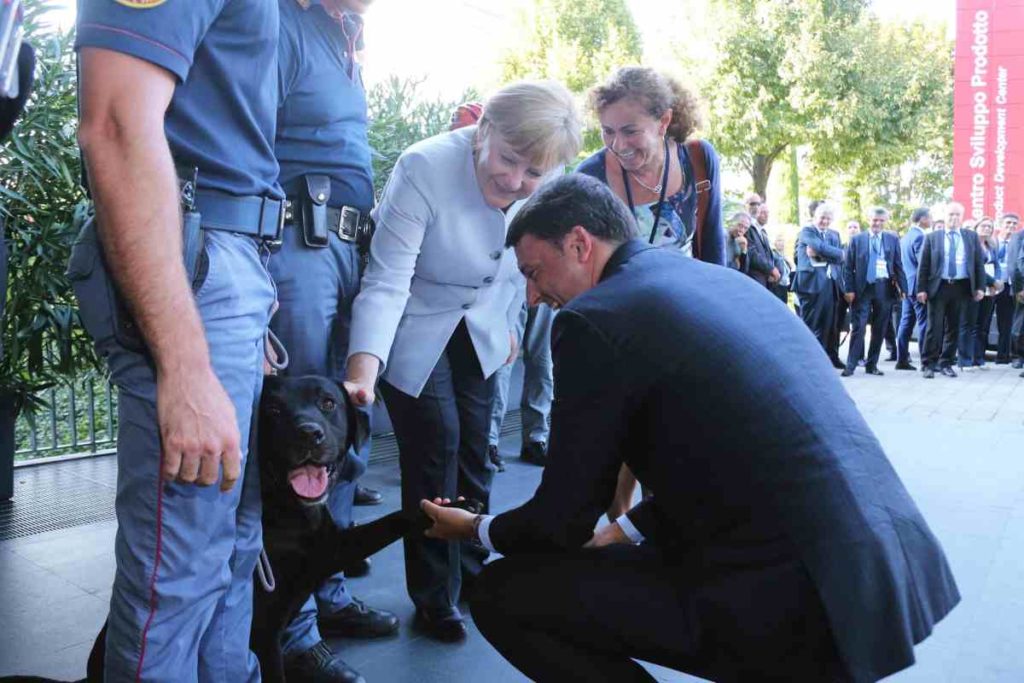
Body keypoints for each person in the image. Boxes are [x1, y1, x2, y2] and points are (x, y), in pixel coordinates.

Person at [421, 174, 959, 683]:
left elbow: (561, 520)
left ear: (580, 245)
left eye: (534, 273)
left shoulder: (593, 319)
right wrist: (627, 529)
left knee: (504, 593)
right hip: (879, 572)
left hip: (785, 599)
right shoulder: (718, 282)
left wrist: (473, 528)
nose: (533, 298)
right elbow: (742, 454)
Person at [72, 1, 283, 679]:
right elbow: (114, 123)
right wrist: (187, 365)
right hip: (198, 258)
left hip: (231, 262)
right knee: (179, 571)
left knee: (226, 550)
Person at [343, 81, 582, 642]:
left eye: (533, 174)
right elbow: (387, 278)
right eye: (508, 161)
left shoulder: (547, 184)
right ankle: (433, 597)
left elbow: (527, 267)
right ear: (483, 132)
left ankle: (473, 573)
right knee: (435, 451)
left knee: (478, 449)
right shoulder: (424, 166)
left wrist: (514, 325)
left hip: (485, 325)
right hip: (415, 320)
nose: (516, 182)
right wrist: (363, 366)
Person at [269, 2, 397, 680]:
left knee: (346, 427)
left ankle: (330, 589)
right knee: (300, 438)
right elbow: (243, 142)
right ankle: (293, 629)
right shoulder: (280, 20)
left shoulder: (345, 31)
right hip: (297, 241)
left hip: (347, 246)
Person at [577, 66, 725, 266]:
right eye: (608, 131)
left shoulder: (698, 159)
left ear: (664, 121)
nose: (617, 145)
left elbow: (713, 248)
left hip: (687, 294)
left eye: (630, 131)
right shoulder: (589, 178)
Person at [916, 202, 986, 379]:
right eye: (950, 215)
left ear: (962, 217)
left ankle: (946, 362)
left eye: (957, 215)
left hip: (961, 287)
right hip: (939, 287)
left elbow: (978, 264)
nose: (954, 218)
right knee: (935, 327)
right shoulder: (933, 237)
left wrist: (980, 287)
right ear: (944, 217)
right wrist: (921, 289)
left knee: (954, 328)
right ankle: (928, 364)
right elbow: (923, 266)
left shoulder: (971, 237)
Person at [841, 207, 907, 377]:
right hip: (862, 289)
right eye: (874, 220)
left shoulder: (892, 239)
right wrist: (848, 289)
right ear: (868, 219)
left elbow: (898, 265)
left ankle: (872, 365)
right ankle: (851, 365)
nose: (877, 223)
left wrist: (904, 289)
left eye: (881, 220)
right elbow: (848, 267)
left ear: (885, 221)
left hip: (884, 288)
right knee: (859, 327)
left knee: (880, 328)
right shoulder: (857, 240)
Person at [794, 203, 846, 368]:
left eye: (828, 218)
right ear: (815, 217)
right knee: (813, 325)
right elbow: (820, 247)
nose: (824, 221)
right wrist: (833, 254)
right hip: (811, 285)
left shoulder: (834, 234)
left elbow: (840, 257)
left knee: (831, 324)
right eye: (822, 218)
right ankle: (810, 361)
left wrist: (826, 254)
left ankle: (832, 357)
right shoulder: (807, 231)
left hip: (831, 283)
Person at [962, 216, 1003, 369]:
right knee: (970, 325)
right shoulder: (970, 245)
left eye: (990, 226)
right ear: (976, 227)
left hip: (990, 291)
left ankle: (979, 359)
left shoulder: (991, 245)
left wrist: (996, 283)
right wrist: (993, 281)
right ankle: (967, 360)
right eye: (984, 225)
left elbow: (997, 265)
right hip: (976, 288)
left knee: (983, 326)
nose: (987, 228)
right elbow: (975, 268)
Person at [895, 208, 932, 371]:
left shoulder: (905, 237)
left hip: (907, 286)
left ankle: (901, 359)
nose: (931, 220)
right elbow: (922, 264)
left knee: (905, 323)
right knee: (924, 323)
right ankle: (925, 361)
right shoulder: (920, 237)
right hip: (917, 287)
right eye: (930, 217)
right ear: (922, 219)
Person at [994, 212, 1020, 364]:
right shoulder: (992, 242)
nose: (1011, 226)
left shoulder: (1018, 244)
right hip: (992, 286)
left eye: (1014, 224)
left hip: (1008, 287)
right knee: (982, 323)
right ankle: (977, 356)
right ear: (1001, 224)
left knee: (1006, 323)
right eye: (1008, 223)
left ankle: (1003, 356)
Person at [740, 193, 779, 287]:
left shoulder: (761, 230)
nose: (756, 207)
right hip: (752, 280)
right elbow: (752, 253)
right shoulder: (744, 226)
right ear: (745, 206)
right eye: (753, 204)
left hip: (765, 280)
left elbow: (769, 255)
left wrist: (773, 271)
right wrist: (770, 269)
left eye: (758, 204)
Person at [770, 234, 793, 305]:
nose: (782, 243)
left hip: (784, 286)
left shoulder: (785, 256)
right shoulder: (773, 254)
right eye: (779, 240)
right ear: (775, 243)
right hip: (777, 285)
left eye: (783, 241)